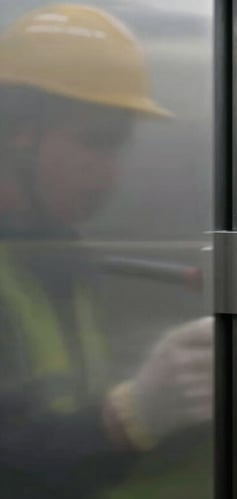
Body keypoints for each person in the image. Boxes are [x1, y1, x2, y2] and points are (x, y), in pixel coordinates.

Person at [0, 5, 212, 497]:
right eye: (96, 143)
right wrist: (126, 419)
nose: (110, 175)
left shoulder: (57, 256)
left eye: (119, 148)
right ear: (18, 138)